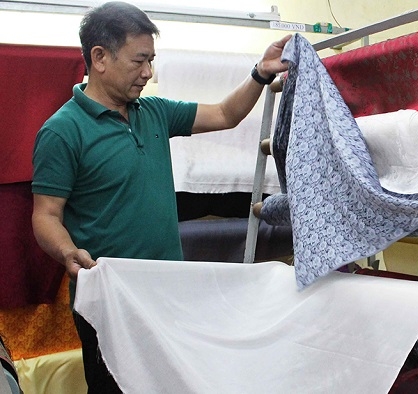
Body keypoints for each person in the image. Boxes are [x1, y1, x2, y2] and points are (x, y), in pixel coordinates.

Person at [31, 2, 290, 392]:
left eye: (151, 60)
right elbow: (46, 215)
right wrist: (68, 254)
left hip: (169, 293)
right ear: (99, 58)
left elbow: (224, 115)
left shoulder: (154, 112)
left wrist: (259, 73)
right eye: (139, 61)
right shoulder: (62, 131)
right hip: (110, 303)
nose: (148, 73)